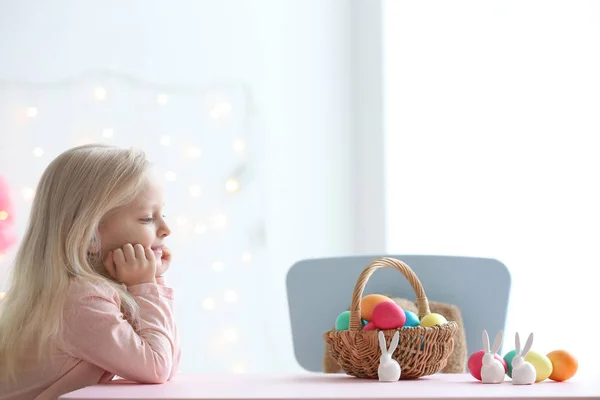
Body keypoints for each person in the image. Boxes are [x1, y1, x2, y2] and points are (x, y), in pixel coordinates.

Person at [0, 144, 181, 400]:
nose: (166, 229)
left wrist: (152, 281)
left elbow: (168, 361)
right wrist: (147, 286)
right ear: (90, 235)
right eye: (147, 219)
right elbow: (157, 366)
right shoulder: (81, 299)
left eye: (161, 213)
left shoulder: (87, 290)